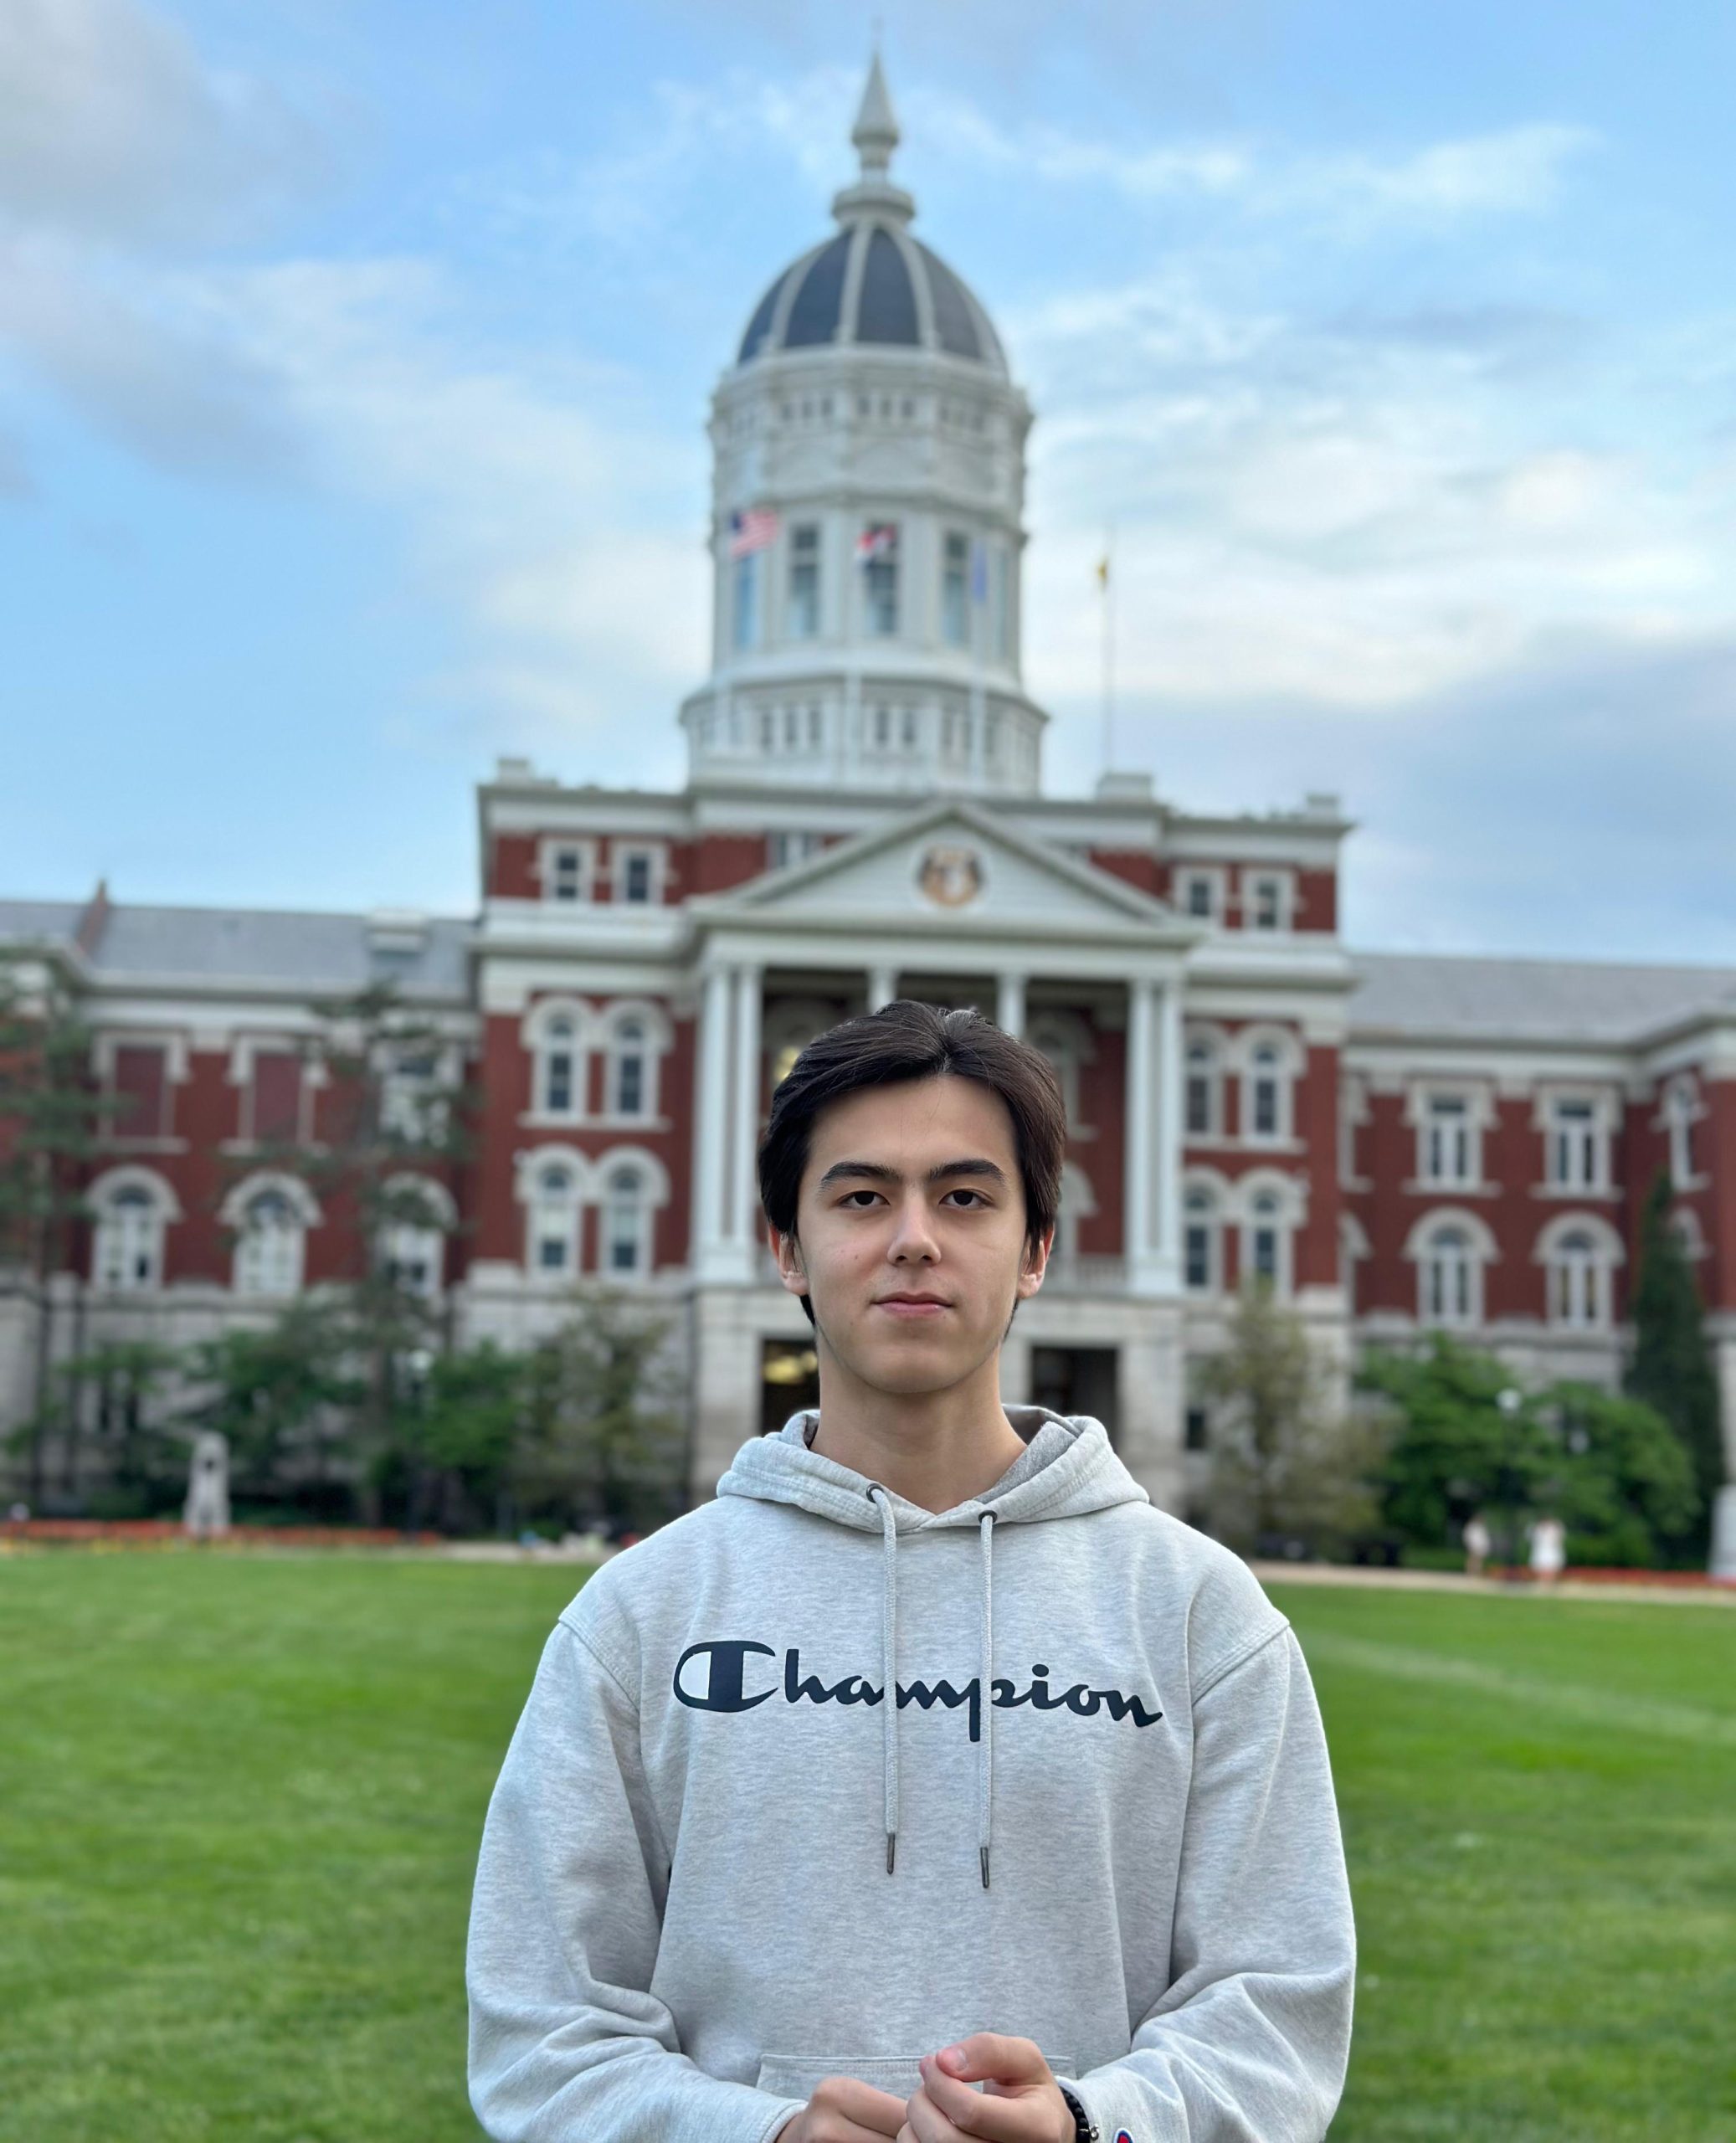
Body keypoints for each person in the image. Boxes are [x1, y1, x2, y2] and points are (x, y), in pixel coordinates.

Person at [466, 1000, 1356, 2143]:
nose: (913, 1238)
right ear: (784, 1245)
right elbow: (539, 2031)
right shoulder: (643, 1614)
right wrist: (760, 2134)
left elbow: (1275, 2011)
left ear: (1035, 1250)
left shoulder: (1194, 1613)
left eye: (966, 1197)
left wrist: (1091, 2125)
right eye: (860, 1196)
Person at [1528, 1512, 1567, 1585]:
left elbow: (1559, 1539)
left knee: (1552, 1568)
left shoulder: (1555, 1528)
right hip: (1541, 1551)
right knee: (1541, 1568)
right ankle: (1542, 1584)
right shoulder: (1537, 1528)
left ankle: (1550, 1584)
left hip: (1552, 1551)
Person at [1462, 1511, 1492, 1578]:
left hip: (1480, 1546)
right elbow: (1468, 1536)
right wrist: (1470, 1545)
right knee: (1472, 1560)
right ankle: (1469, 1572)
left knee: (1479, 1561)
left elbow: (1484, 1538)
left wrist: (1485, 1547)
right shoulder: (1472, 1526)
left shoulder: (1482, 1527)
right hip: (1474, 1545)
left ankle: (1477, 1573)